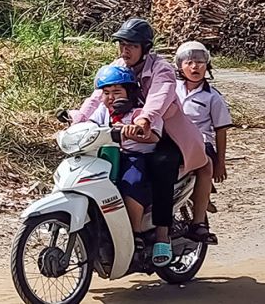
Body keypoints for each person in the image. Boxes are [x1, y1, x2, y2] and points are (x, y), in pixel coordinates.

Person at [75, 18, 209, 267]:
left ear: (145, 48)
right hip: (128, 137)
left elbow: (160, 95)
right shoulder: (117, 67)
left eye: (132, 46)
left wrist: (144, 119)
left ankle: (161, 235)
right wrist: (76, 122)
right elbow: (95, 99)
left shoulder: (162, 68)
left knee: (161, 166)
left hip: (166, 133)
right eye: (122, 45)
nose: (125, 51)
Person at [87, 66, 162, 246]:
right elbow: (89, 124)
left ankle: (135, 233)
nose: (111, 97)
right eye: (106, 92)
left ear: (129, 92)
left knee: (131, 182)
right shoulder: (103, 111)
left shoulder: (140, 113)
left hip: (135, 157)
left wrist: (134, 131)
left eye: (117, 92)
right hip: (108, 156)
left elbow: (155, 136)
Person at [175, 40, 230, 244]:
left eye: (200, 62)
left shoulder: (213, 97)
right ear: (180, 66)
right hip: (174, 140)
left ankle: (199, 223)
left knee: (205, 167)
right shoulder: (172, 89)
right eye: (189, 62)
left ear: (207, 66)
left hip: (201, 143)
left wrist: (221, 162)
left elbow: (220, 130)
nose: (194, 66)